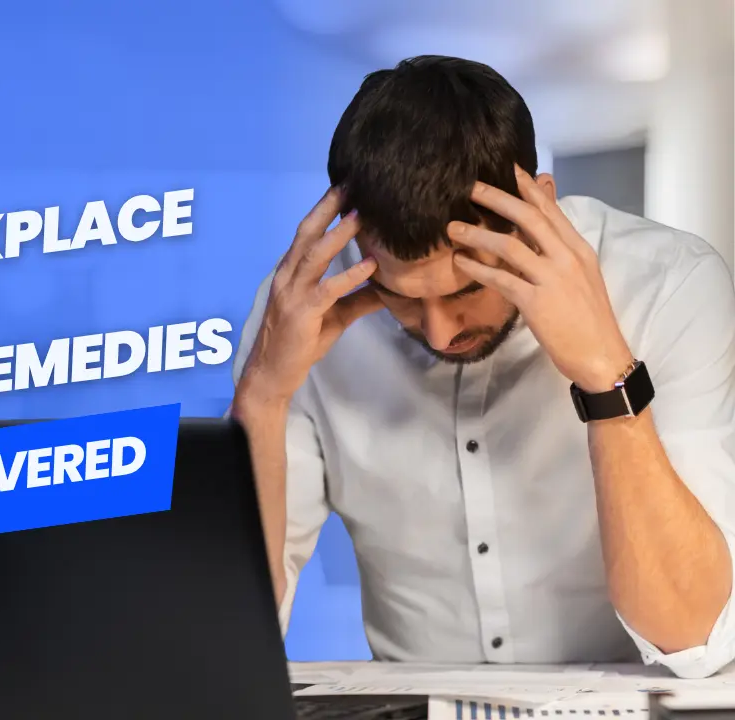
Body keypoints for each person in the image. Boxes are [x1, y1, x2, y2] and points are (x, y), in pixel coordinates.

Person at [231, 55, 735, 679]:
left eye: (468, 288)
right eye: (399, 297)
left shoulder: (668, 286)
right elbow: (231, 631)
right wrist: (262, 399)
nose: (440, 333)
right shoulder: (298, 318)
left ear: (538, 209)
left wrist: (607, 377)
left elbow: (693, 636)